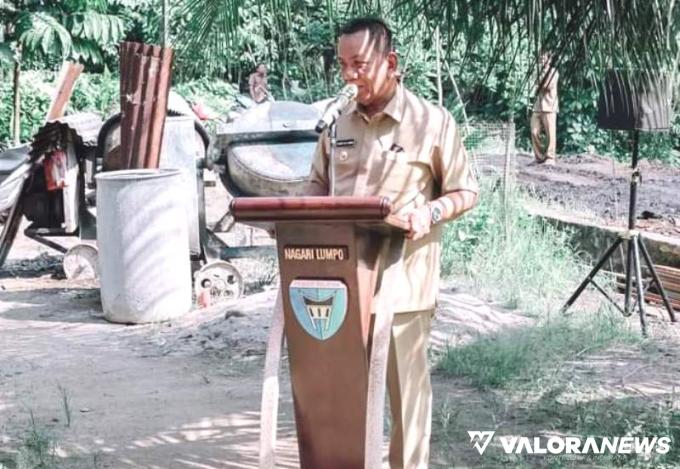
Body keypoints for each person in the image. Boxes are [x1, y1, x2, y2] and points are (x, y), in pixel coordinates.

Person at [308, 17, 479, 468]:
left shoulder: (432, 122)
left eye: (360, 64)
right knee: (344, 400)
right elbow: (315, 187)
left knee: (407, 401)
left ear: (391, 62)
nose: (349, 76)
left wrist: (430, 212)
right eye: (343, 65)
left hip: (403, 288)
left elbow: (465, 190)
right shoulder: (336, 124)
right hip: (340, 286)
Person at [530, 52, 559, 164]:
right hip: (538, 106)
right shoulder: (536, 71)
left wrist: (538, 83)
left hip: (549, 106)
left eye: (544, 58)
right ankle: (539, 157)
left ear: (549, 60)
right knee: (534, 131)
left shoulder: (554, 72)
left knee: (550, 133)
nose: (542, 61)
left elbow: (546, 86)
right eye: (540, 58)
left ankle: (550, 157)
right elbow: (535, 84)